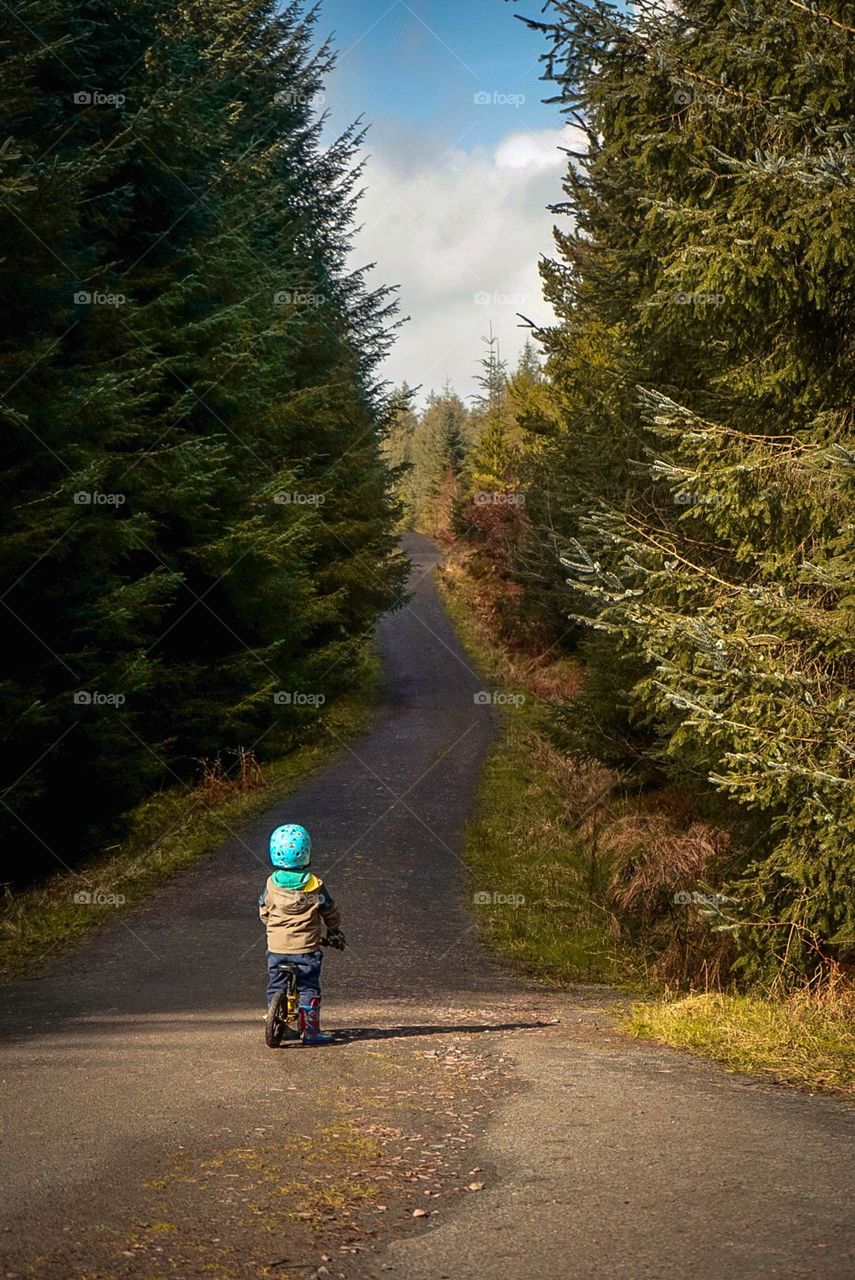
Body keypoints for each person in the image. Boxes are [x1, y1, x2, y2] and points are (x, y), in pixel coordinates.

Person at [258, 823, 344, 1045]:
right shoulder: (314, 886)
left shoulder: (271, 884)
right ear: (307, 852)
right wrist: (334, 930)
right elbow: (329, 910)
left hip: (276, 948)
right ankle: (311, 1031)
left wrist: (270, 924)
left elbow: (264, 909)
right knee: (308, 986)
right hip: (306, 948)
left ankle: (277, 1019)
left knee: (276, 984)